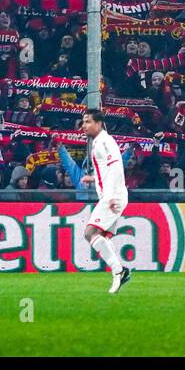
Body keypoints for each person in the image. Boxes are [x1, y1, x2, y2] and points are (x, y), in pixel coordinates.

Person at [78, 109, 132, 294]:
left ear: (99, 123)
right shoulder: (99, 142)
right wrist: (93, 178)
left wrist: (109, 197)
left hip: (113, 196)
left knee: (89, 232)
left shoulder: (105, 142)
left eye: (87, 122)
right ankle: (119, 271)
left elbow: (116, 167)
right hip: (112, 194)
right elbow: (107, 169)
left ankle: (119, 270)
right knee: (103, 237)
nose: (83, 126)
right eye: (83, 122)